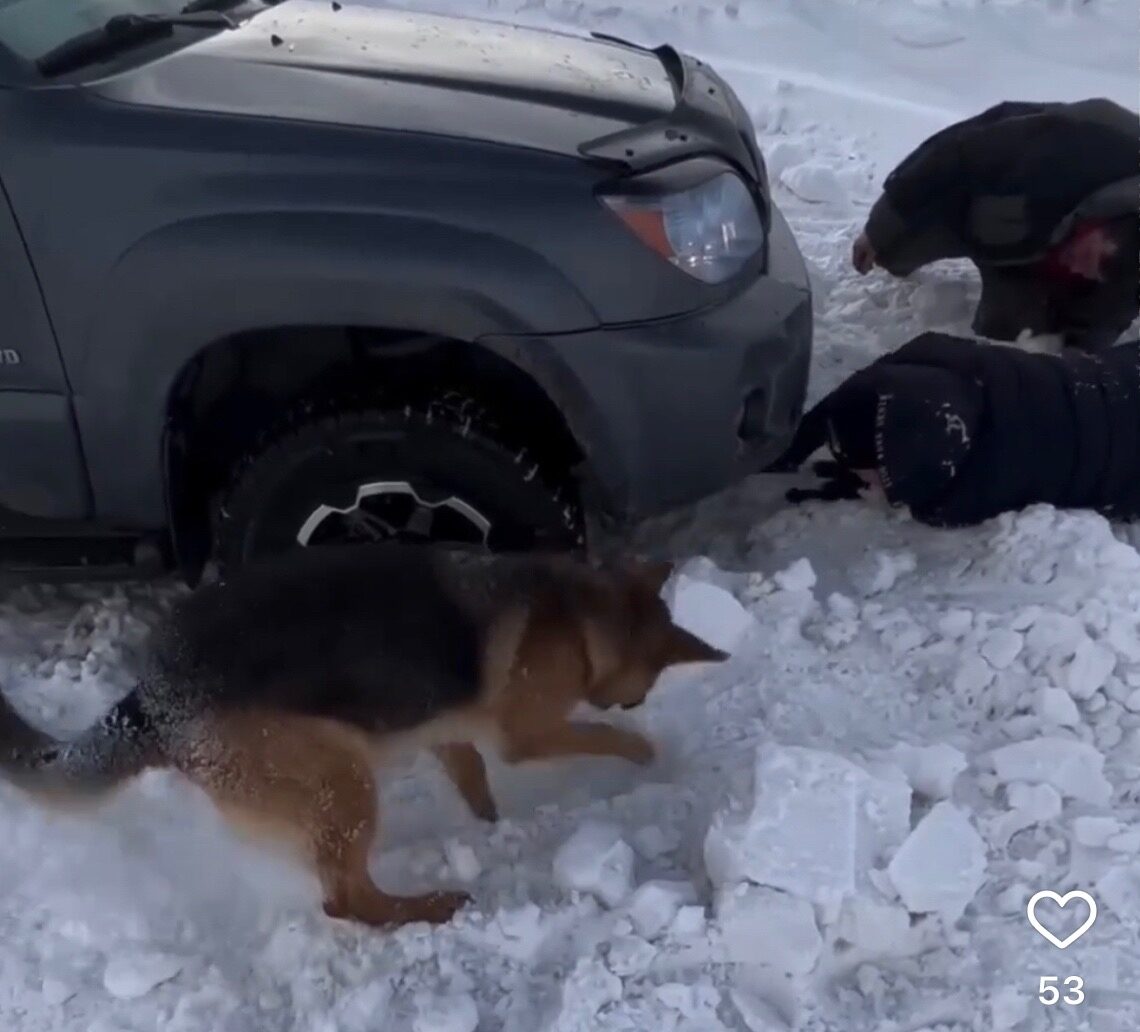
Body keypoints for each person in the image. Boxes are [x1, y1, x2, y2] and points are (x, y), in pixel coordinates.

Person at [852, 99, 1139, 352]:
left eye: (1099, 275)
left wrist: (1079, 351)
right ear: (1109, 222)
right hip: (967, 208)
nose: (1083, 271)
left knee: (1005, 344)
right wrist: (880, 226)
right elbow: (952, 153)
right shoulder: (1083, 142)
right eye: (1092, 258)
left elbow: (1112, 313)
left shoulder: (1124, 270)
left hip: (1021, 259)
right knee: (889, 252)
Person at [773, 331, 1140, 527]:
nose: (862, 480)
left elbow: (926, 497)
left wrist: (892, 484)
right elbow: (870, 385)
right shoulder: (942, 359)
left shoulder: (973, 490)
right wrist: (799, 442)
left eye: (871, 474)